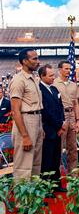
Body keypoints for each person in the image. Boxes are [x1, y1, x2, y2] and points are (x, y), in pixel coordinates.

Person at [9, 48, 44, 181]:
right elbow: (15, 110)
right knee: (23, 167)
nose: (38, 62)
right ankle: (22, 202)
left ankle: (34, 201)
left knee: (35, 165)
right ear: (24, 61)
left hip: (37, 120)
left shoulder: (34, 79)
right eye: (34, 59)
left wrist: (40, 128)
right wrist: (25, 136)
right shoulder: (18, 80)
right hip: (25, 122)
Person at [38, 64, 66, 190]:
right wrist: (59, 125)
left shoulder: (54, 89)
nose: (53, 78)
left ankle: (56, 184)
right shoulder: (39, 90)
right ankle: (47, 187)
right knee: (47, 160)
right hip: (47, 129)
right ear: (42, 76)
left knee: (56, 158)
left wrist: (62, 124)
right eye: (50, 76)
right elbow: (46, 112)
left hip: (58, 130)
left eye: (53, 75)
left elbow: (60, 108)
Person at [53, 61, 79, 174]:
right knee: (58, 148)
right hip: (61, 115)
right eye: (66, 69)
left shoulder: (73, 85)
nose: (68, 71)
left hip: (72, 116)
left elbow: (76, 104)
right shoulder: (54, 83)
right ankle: (58, 176)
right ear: (60, 69)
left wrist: (78, 120)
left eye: (69, 69)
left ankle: (73, 175)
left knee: (73, 148)